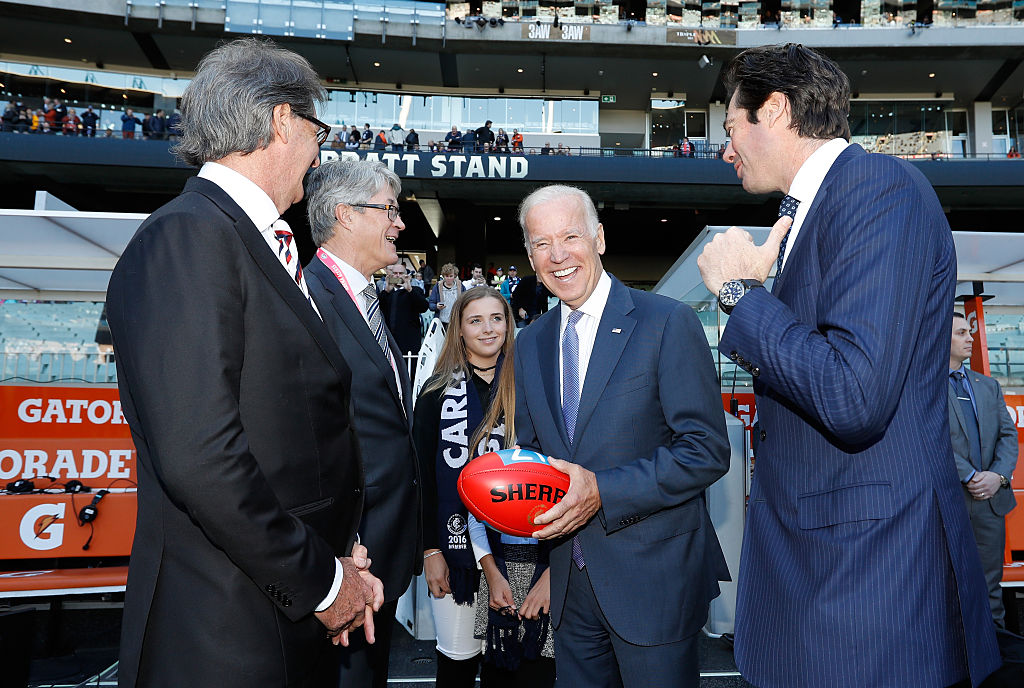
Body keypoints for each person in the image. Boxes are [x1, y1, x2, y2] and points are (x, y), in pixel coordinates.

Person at [696, 43, 1000, 687]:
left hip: (867, 584)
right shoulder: (824, 206)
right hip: (833, 575)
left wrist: (738, 296)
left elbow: (852, 392)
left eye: (730, 127)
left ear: (774, 110)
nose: (726, 149)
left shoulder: (875, 190)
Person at [105, 38, 382, 688]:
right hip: (223, 637)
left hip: (272, 619)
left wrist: (337, 559)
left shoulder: (237, 239)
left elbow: (288, 434)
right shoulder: (189, 238)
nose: (320, 151)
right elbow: (203, 457)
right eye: (319, 130)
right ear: (283, 120)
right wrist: (322, 581)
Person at [515, 184, 730, 687]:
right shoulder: (531, 343)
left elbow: (705, 451)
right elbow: (538, 457)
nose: (558, 255)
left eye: (571, 236)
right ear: (529, 255)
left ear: (600, 239)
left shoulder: (665, 321)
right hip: (570, 584)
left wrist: (601, 492)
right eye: (542, 244)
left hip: (653, 582)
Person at [303, 160, 423, 688]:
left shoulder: (364, 297)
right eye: (389, 210)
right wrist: (335, 554)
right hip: (345, 555)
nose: (399, 223)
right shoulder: (307, 297)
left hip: (380, 548)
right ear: (345, 215)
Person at [415, 288, 555, 688]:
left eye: (497, 318)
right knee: (457, 666)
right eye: (475, 320)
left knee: (514, 668)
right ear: (458, 329)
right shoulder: (435, 394)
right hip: (455, 554)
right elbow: (423, 479)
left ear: (509, 325)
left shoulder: (531, 388)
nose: (488, 328)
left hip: (519, 554)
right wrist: (430, 551)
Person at [949, 312, 1018, 629]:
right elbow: (930, 437)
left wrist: (997, 476)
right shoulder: (924, 386)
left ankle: (997, 658)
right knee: (949, 586)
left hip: (990, 502)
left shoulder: (988, 386)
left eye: (969, 331)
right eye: (961, 332)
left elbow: (1008, 436)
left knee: (991, 590)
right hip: (950, 502)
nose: (970, 337)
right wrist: (970, 476)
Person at [379, 262, 429, 371]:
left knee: (409, 370)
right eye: (395, 273)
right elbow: (378, 309)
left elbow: (424, 307)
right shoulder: (387, 293)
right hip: (390, 341)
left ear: (407, 275)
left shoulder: (415, 290)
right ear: (390, 275)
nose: (397, 276)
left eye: (401, 273)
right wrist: (386, 291)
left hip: (409, 342)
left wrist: (409, 289)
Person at [428, 262, 464, 329]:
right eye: (446, 276)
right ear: (443, 276)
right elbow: (430, 304)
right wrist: (436, 306)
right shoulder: (438, 286)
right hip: (441, 322)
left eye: (451, 276)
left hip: (456, 321)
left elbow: (465, 302)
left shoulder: (460, 286)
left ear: (455, 276)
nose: (449, 278)